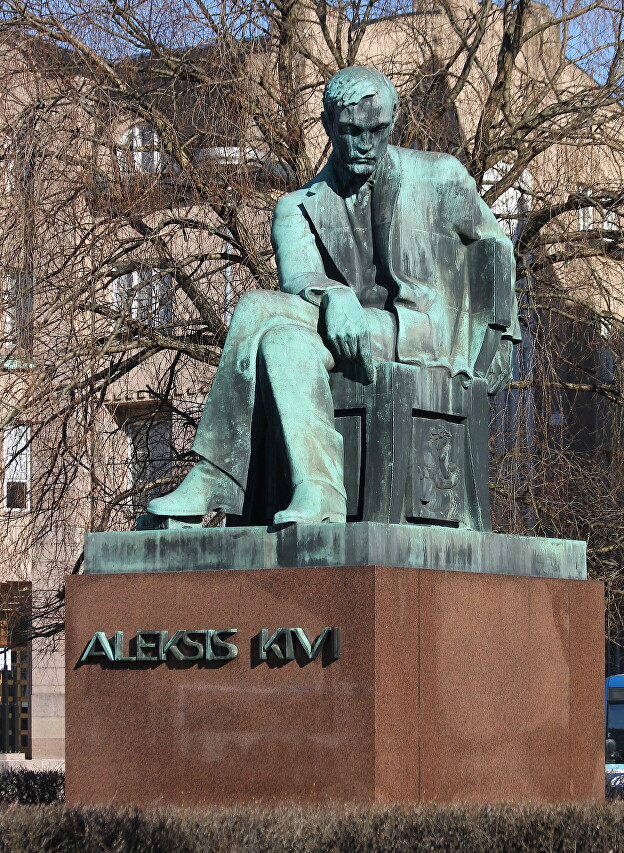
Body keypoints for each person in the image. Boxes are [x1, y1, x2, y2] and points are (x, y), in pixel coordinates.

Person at [147, 65, 520, 525]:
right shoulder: (296, 209)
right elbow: (299, 279)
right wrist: (334, 297)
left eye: (377, 129)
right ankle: (321, 492)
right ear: (326, 125)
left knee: (254, 307)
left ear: (394, 120)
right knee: (281, 340)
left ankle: (214, 476)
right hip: (338, 334)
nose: (364, 142)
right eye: (349, 130)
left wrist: (496, 345)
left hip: (422, 337)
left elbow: (496, 248)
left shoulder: (440, 177)